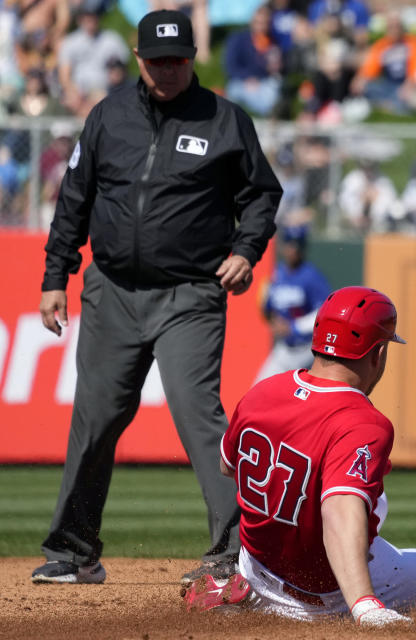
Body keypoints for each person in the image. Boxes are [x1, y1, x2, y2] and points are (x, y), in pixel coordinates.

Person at [33, 9, 282, 587]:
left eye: (177, 58)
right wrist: (54, 277)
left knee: (199, 417)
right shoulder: (108, 116)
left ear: (192, 58)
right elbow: (74, 198)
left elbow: (263, 194)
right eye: (157, 60)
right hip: (112, 291)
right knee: (94, 418)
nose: (167, 69)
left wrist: (247, 249)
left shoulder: (224, 119)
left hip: (191, 293)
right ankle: (73, 551)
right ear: (140, 59)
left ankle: (234, 552)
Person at [183, 286, 416, 626]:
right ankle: (333, 603)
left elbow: (226, 465)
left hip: (257, 567)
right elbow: (339, 512)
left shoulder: (263, 390)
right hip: (323, 596)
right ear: (377, 353)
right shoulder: (365, 421)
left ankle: (249, 591)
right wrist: (365, 605)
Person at [255, 225, 332, 382]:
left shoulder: (311, 276)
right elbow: (269, 308)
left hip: (307, 351)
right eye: (289, 243)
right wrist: (272, 319)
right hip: (284, 349)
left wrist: (293, 327)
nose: (292, 249)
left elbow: (324, 314)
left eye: (296, 245)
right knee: (258, 389)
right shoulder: (278, 273)